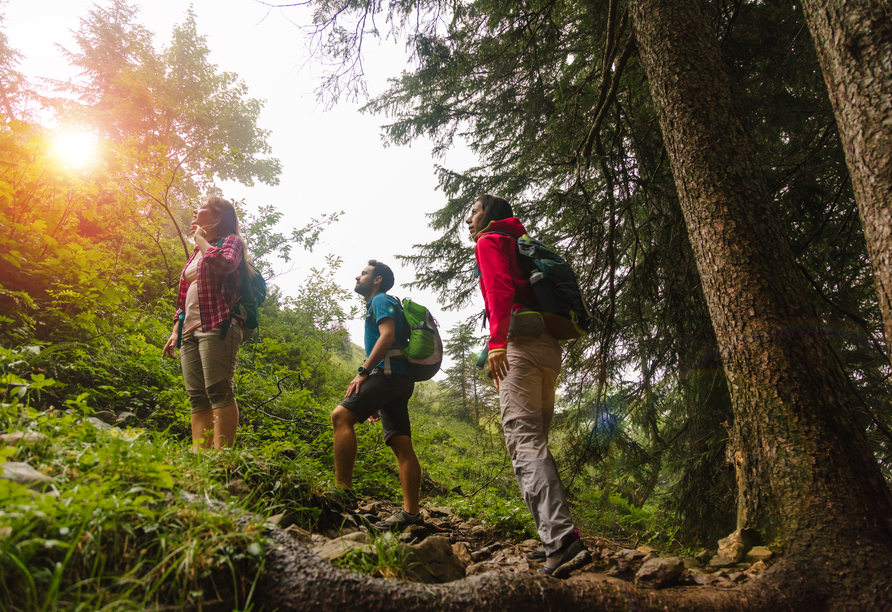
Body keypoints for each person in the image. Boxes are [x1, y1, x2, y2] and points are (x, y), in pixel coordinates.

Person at [466, 194, 590, 576]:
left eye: (474, 211)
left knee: (524, 442)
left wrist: (497, 343)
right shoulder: (518, 242)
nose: (468, 219)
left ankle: (562, 541)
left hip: (519, 346)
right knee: (536, 442)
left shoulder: (490, 241)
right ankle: (553, 536)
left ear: (490, 214)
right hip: (550, 350)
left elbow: (499, 290)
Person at [330, 260, 423, 530]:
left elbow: (387, 336)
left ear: (377, 279)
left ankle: (343, 494)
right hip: (400, 378)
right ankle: (411, 515)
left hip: (389, 374)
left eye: (364, 273)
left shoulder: (380, 300)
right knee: (401, 444)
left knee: (341, 417)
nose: (357, 277)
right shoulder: (388, 301)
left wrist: (363, 372)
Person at [163, 196, 249, 450]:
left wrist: (201, 239)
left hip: (218, 323)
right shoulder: (194, 255)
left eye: (201, 208)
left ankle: (222, 458)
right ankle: (200, 459)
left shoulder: (231, 242)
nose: (194, 210)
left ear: (217, 217)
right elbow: (183, 299)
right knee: (197, 397)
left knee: (219, 390)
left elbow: (224, 264)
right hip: (188, 330)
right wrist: (175, 329)